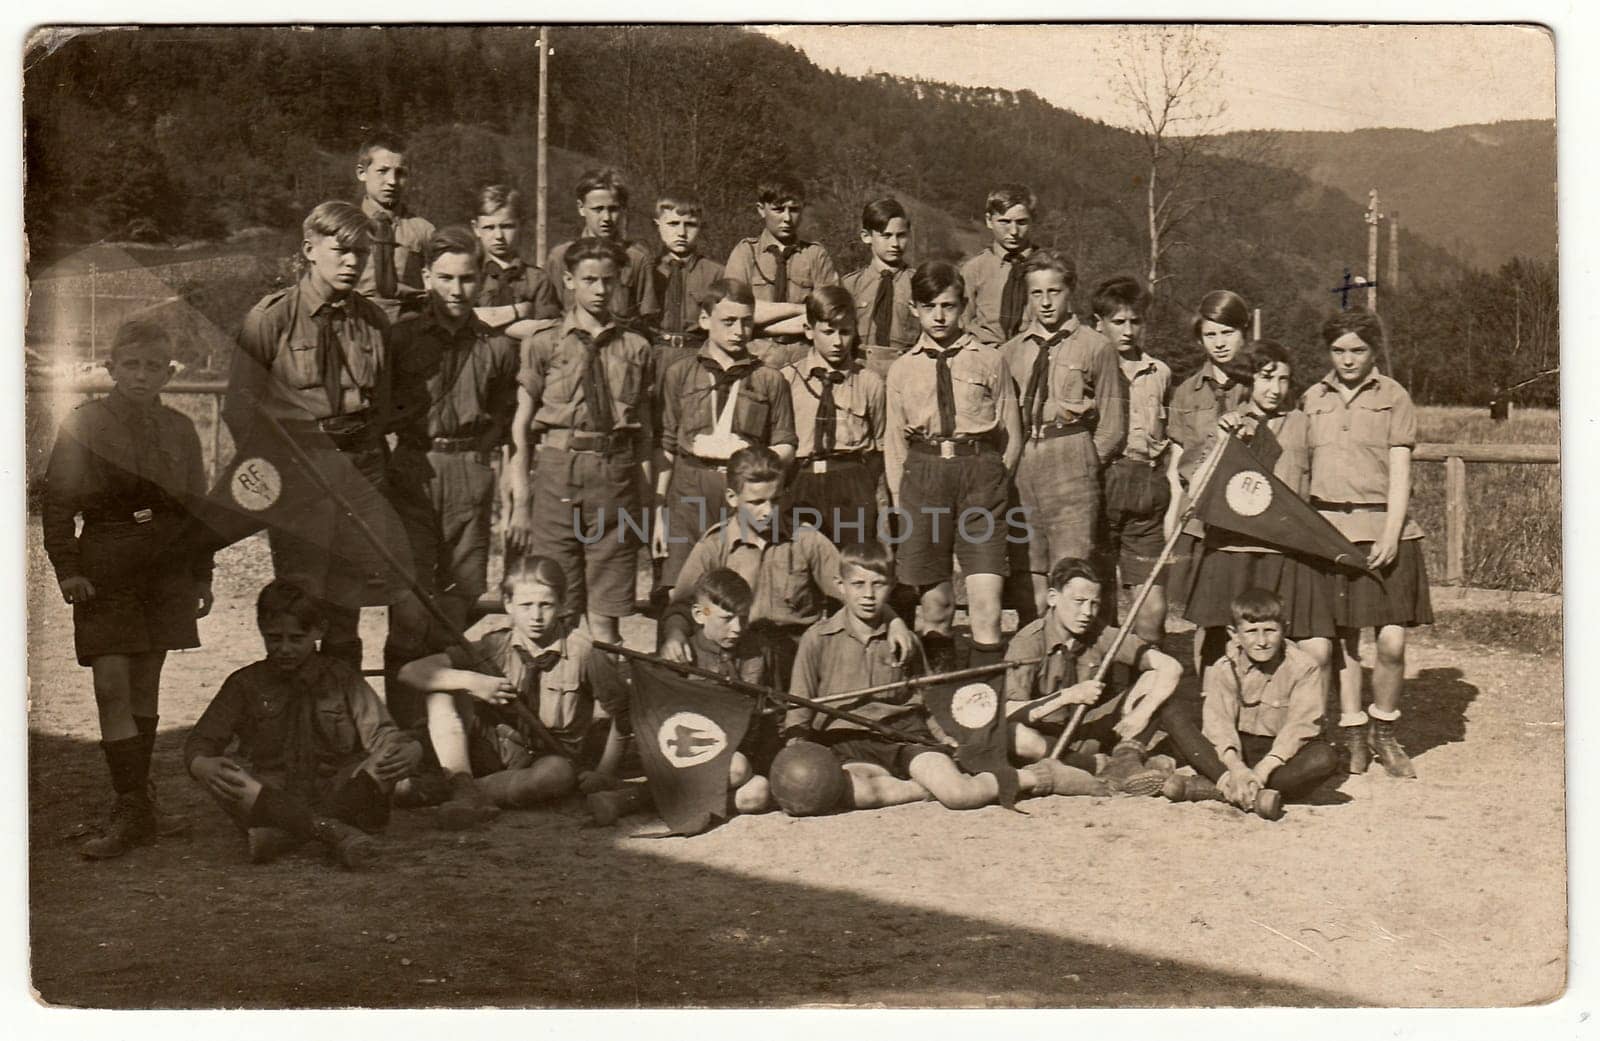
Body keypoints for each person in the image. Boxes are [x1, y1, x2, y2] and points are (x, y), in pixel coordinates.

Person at [42, 319, 214, 859]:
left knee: (145, 685)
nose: (142, 375)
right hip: (106, 562)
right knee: (111, 684)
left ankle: (140, 805)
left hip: (165, 566)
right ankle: (129, 803)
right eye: (131, 364)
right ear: (111, 367)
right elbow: (56, 505)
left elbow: (196, 510)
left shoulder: (181, 430)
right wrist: (68, 569)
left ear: (168, 371)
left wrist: (201, 574)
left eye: (153, 366)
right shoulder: (85, 423)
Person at [784, 541, 1107, 813]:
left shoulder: (905, 638)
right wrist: (796, 743)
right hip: (845, 737)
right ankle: (920, 790)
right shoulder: (818, 638)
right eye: (858, 584)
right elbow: (799, 702)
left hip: (901, 734)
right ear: (840, 587)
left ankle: (1037, 777)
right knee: (856, 793)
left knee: (958, 795)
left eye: (878, 584)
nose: (868, 594)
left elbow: (928, 700)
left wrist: (943, 736)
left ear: (891, 586)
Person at [223, 200, 406, 672]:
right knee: (300, 603)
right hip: (299, 474)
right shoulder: (271, 319)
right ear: (309, 250)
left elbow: (381, 406)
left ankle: (341, 721)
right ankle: (293, 726)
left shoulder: (373, 322)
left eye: (361, 254)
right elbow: (239, 408)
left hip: (358, 471)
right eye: (341, 250)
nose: (352, 262)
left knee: (347, 607)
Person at [383, 225, 522, 728]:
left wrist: (496, 476)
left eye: (466, 279)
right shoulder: (401, 338)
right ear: (426, 277)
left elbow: (507, 416)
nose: (456, 290)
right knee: (410, 605)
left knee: (460, 601)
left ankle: (450, 722)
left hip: (471, 470)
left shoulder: (498, 347)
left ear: (482, 279)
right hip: (414, 469)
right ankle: (402, 730)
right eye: (444, 278)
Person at [186, 579, 425, 869]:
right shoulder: (244, 683)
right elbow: (202, 739)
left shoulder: (342, 677)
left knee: (391, 755)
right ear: (261, 629)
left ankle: (288, 835)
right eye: (274, 638)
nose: (284, 648)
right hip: (273, 796)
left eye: (297, 638)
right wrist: (201, 764)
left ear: (319, 631)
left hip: (339, 788)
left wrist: (409, 749)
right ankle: (332, 830)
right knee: (225, 775)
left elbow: (383, 735)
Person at [657, 446, 910, 692]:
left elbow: (854, 589)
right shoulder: (714, 546)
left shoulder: (806, 540)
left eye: (775, 500)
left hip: (798, 658)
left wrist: (894, 620)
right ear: (732, 498)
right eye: (756, 502)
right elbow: (681, 606)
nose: (767, 511)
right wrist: (675, 635)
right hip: (742, 658)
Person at [506, 237, 656, 647]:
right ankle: (557, 706)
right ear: (569, 280)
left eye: (609, 280)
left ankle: (608, 710)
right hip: (558, 471)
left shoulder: (637, 347)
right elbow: (520, 427)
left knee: (607, 618)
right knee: (557, 607)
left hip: (615, 477)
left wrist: (646, 505)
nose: (600, 289)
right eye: (589, 280)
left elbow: (644, 433)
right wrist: (520, 503)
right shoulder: (543, 342)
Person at [1302, 308, 1432, 777]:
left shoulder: (1394, 397)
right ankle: (1353, 731)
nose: (1348, 359)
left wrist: (1392, 533)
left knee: (1392, 642)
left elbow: (1401, 472)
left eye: (1357, 349)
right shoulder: (1312, 397)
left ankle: (1385, 730)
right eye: (1338, 350)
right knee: (1342, 643)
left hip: (1386, 533)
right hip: (1330, 535)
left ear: (1373, 349)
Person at [398, 556, 628, 814]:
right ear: (508, 604)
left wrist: (603, 774)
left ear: (563, 604)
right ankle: (461, 786)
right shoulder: (495, 646)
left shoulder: (583, 651)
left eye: (546, 605)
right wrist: (474, 681)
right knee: (440, 690)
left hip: (550, 758)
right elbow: (411, 672)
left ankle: (449, 792)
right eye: (526, 605)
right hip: (494, 746)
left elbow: (622, 713)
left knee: (557, 775)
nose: (536, 616)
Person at [883, 260, 1022, 667]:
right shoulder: (902, 369)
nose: (939, 316)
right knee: (937, 607)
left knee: (986, 606)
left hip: (979, 475)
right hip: (924, 478)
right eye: (929, 307)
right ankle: (940, 703)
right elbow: (894, 444)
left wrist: (995, 481)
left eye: (948, 306)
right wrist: (901, 502)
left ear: (964, 306)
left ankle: (984, 708)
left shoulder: (990, 360)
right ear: (914, 309)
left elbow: (1011, 433)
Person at [1177, 340, 1337, 685]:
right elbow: (1194, 481)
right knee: (1219, 642)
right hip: (1233, 550)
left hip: (1288, 549)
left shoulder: (1302, 423)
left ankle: (1305, 726)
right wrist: (1223, 439)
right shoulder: (1228, 423)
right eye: (1266, 378)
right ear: (1250, 379)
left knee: (1316, 647)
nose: (1276, 389)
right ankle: (1217, 722)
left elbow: (1320, 482)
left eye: (1283, 380)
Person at [587, 568, 775, 826]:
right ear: (700, 615)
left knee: (758, 792)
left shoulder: (754, 652)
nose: (737, 628)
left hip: (734, 750)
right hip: (689, 752)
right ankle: (632, 798)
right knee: (738, 768)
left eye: (743, 618)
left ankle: (640, 798)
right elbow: (659, 716)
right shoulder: (684, 655)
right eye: (727, 618)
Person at [999, 250, 1126, 618]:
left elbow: (1113, 425)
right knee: (1029, 569)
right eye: (1036, 294)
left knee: (1071, 569)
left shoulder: (1096, 346)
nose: (1045, 302)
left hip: (1071, 456)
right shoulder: (1010, 352)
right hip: (1024, 461)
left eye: (1054, 291)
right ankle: (1035, 657)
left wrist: (1083, 464)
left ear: (1070, 290)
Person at [654, 279, 797, 598]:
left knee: (740, 587)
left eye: (747, 322)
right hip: (688, 490)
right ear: (705, 320)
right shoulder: (680, 373)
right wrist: (659, 510)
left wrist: (756, 463)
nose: (739, 331)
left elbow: (787, 442)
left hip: (743, 491)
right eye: (728, 322)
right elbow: (664, 443)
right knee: (679, 590)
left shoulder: (769, 379)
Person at [1004, 557, 1183, 793]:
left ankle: (1124, 758)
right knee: (1013, 734)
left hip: (1088, 732)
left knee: (1153, 680)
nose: (1087, 612)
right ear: (1053, 598)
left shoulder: (1097, 632)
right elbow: (1008, 710)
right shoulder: (1028, 642)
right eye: (1079, 602)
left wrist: (1142, 713)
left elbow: (1172, 667)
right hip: (1045, 740)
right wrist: (1067, 696)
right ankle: (1100, 766)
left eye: (1094, 603)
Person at [1158, 588, 1339, 815]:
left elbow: (1301, 726)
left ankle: (1211, 788)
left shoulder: (1304, 667)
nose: (1262, 641)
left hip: (1277, 756)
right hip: (1233, 751)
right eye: (1252, 631)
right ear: (1234, 634)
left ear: (1284, 630)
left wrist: (1262, 769)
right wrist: (1236, 769)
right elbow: (1219, 726)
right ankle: (1235, 786)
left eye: (1270, 630)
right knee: (1174, 711)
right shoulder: (1224, 667)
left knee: (1324, 758)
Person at [1166, 289, 1254, 662]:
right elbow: (1176, 463)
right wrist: (1173, 519)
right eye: (1210, 335)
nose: (1219, 343)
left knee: (1253, 612)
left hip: (1250, 518)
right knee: (1209, 617)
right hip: (1201, 520)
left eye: (1227, 332)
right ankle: (1212, 701)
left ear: (1244, 333)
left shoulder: (1262, 386)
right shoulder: (1186, 393)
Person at [1093, 274, 1179, 646]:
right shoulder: (1091, 367)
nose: (1128, 331)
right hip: (1101, 483)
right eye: (1118, 322)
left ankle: (1146, 680)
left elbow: (1170, 434)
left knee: (1150, 602)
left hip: (1146, 487)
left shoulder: (1159, 372)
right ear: (1099, 324)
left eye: (1135, 321)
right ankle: (1102, 684)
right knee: (1098, 597)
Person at [780, 285, 888, 547]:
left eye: (845, 332)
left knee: (854, 562)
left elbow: (881, 449)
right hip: (800, 480)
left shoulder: (869, 382)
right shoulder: (787, 379)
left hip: (852, 482)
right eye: (828, 332)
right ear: (809, 330)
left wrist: (880, 507)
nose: (837, 342)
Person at [723, 173, 839, 369]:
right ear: (761, 210)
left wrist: (760, 325)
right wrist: (801, 309)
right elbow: (734, 312)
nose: (787, 218)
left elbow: (827, 316)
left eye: (794, 210)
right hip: (754, 357)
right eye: (778, 209)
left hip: (802, 361)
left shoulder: (816, 255)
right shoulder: (745, 253)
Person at [547, 167, 658, 330]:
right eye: (598, 209)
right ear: (580, 207)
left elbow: (647, 318)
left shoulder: (636, 258)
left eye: (613, 209)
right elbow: (548, 315)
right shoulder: (560, 256)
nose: (606, 218)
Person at [648, 187, 725, 397]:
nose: (681, 233)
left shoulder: (716, 273)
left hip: (697, 356)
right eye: (673, 224)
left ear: (701, 226)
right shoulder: (647, 269)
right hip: (655, 357)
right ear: (658, 224)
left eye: (690, 225)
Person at [353, 131, 435, 322]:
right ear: (362, 173)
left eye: (400, 173)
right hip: (358, 325)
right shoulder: (347, 227)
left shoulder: (423, 231)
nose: (392, 181)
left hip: (409, 326)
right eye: (382, 171)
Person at [839, 196, 917, 377]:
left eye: (901, 235)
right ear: (867, 237)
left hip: (906, 374)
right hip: (859, 373)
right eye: (886, 236)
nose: (895, 244)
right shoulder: (850, 285)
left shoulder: (918, 284)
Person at [471, 183, 561, 330]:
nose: (499, 236)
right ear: (476, 228)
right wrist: (521, 311)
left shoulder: (538, 279)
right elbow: (458, 320)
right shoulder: (470, 275)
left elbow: (546, 332)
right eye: (489, 227)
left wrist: (486, 321)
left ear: (521, 225)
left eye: (507, 226)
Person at [958, 183, 1038, 346]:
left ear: (1033, 220)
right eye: (1004, 222)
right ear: (989, 220)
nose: (1014, 231)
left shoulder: (1047, 267)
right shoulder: (974, 269)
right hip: (985, 355)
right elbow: (961, 321)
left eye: (1021, 222)